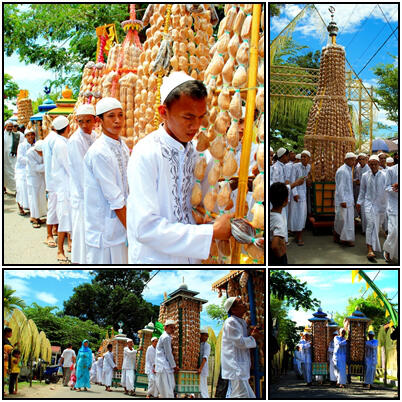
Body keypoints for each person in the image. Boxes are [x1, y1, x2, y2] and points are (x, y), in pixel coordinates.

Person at [127, 72, 234, 264]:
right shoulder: (146, 153)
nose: (195, 125)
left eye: (201, 117)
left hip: (191, 258)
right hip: (156, 259)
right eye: (188, 117)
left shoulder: (195, 152)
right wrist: (211, 232)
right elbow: (144, 228)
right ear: (163, 112)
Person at [83, 97, 129, 264]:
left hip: (120, 225)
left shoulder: (122, 146)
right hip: (104, 228)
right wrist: (132, 229)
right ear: (99, 120)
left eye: (120, 115)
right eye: (111, 116)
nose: (117, 120)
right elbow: (115, 198)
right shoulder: (99, 152)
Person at [68, 104, 97, 264]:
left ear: (95, 120)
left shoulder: (95, 136)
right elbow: (80, 173)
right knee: (82, 231)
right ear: (76, 121)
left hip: (93, 192)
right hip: (82, 194)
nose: (85, 125)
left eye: (88, 121)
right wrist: (89, 196)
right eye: (81, 122)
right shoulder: (75, 141)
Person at [221, 296, 262, 398]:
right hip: (235, 366)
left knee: (246, 395)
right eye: (240, 303)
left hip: (241, 366)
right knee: (241, 396)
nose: (244, 304)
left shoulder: (241, 322)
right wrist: (253, 338)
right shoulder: (231, 322)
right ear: (233, 310)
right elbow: (239, 342)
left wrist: (251, 331)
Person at [356, 155, 387, 261]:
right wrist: (359, 202)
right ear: (368, 164)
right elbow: (362, 190)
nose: (373, 166)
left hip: (381, 205)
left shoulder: (384, 175)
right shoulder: (365, 175)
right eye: (371, 164)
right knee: (370, 225)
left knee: (376, 227)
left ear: (379, 164)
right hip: (368, 204)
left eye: (375, 164)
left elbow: (388, 189)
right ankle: (369, 249)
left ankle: (374, 246)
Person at [52, 116, 72, 263]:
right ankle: (60, 250)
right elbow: (69, 167)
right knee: (64, 220)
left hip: (66, 187)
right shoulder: (62, 145)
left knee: (68, 219)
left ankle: (69, 245)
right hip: (64, 188)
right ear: (68, 128)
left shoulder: (62, 142)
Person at [42, 122, 59, 248]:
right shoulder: (56, 140)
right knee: (53, 208)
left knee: (55, 208)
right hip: (56, 181)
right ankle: (49, 235)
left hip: (52, 180)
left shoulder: (48, 138)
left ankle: (54, 230)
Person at [334, 153, 356, 246]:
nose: (353, 162)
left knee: (348, 221)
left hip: (349, 200)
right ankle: (342, 238)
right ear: (346, 160)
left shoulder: (348, 170)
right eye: (351, 159)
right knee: (343, 220)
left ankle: (344, 238)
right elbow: (340, 187)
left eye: (354, 160)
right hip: (343, 201)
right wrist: (342, 200)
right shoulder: (343, 170)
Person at [289, 150, 311, 245]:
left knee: (302, 215)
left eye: (305, 157)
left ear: (309, 159)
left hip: (304, 193)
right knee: (296, 215)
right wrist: (295, 194)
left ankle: (298, 234)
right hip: (296, 193)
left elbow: (306, 178)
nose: (303, 158)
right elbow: (292, 180)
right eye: (302, 156)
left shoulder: (309, 167)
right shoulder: (295, 166)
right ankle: (298, 236)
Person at [26, 140, 47, 229]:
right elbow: (35, 167)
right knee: (34, 197)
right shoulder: (30, 153)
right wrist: (48, 166)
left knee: (40, 197)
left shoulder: (43, 152)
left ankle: (38, 217)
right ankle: (34, 218)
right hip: (33, 178)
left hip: (41, 178)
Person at [271, 147, 290, 242]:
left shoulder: (283, 166)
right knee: (279, 219)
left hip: (283, 197)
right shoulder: (276, 168)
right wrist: (289, 185)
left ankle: (283, 240)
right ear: (283, 156)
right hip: (278, 198)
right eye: (287, 156)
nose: (288, 158)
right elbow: (276, 185)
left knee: (283, 219)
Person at [155, 320, 178, 398]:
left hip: (163, 365)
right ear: (165, 327)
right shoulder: (166, 337)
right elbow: (168, 353)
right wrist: (174, 366)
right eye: (171, 328)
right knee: (167, 388)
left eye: (174, 328)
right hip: (163, 365)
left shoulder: (165, 336)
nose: (173, 330)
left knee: (168, 386)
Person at [15, 129, 35, 215]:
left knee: (30, 190)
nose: (30, 137)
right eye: (28, 135)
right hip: (21, 170)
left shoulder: (35, 145)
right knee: (21, 189)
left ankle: (31, 208)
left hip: (31, 170)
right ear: (25, 136)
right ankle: (20, 207)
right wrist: (30, 161)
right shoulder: (22, 145)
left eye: (32, 135)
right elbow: (20, 158)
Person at [383, 164, 398, 263]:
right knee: (394, 231)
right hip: (394, 204)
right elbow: (386, 187)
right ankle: (388, 249)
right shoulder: (391, 170)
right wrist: (394, 188)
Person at [353, 153, 370, 233]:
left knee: (364, 211)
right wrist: (356, 181)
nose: (361, 161)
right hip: (358, 190)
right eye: (359, 159)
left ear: (366, 160)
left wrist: (361, 182)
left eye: (363, 159)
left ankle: (365, 230)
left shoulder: (369, 169)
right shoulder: (358, 168)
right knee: (360, 210)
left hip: (366, 193)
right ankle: (363, 228)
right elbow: (356, 178)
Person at [4, 120, 20, 193]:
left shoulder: (16, 135)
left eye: (11, 126)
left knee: (13, 171)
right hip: (4, 158)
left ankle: (15, 188)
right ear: (5, 127)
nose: (10, 128)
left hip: (13, 157)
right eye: (9, 126)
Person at [198, 328, 211, 398]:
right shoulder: (197, 344)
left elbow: (205, 357)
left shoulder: (207, 345)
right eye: (205, 336)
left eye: (207, 336)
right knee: (198, 388)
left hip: (202, 369)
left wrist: (200, 368)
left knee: (203, 388)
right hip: (198, 369)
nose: (206, 338)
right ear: (200, 335)